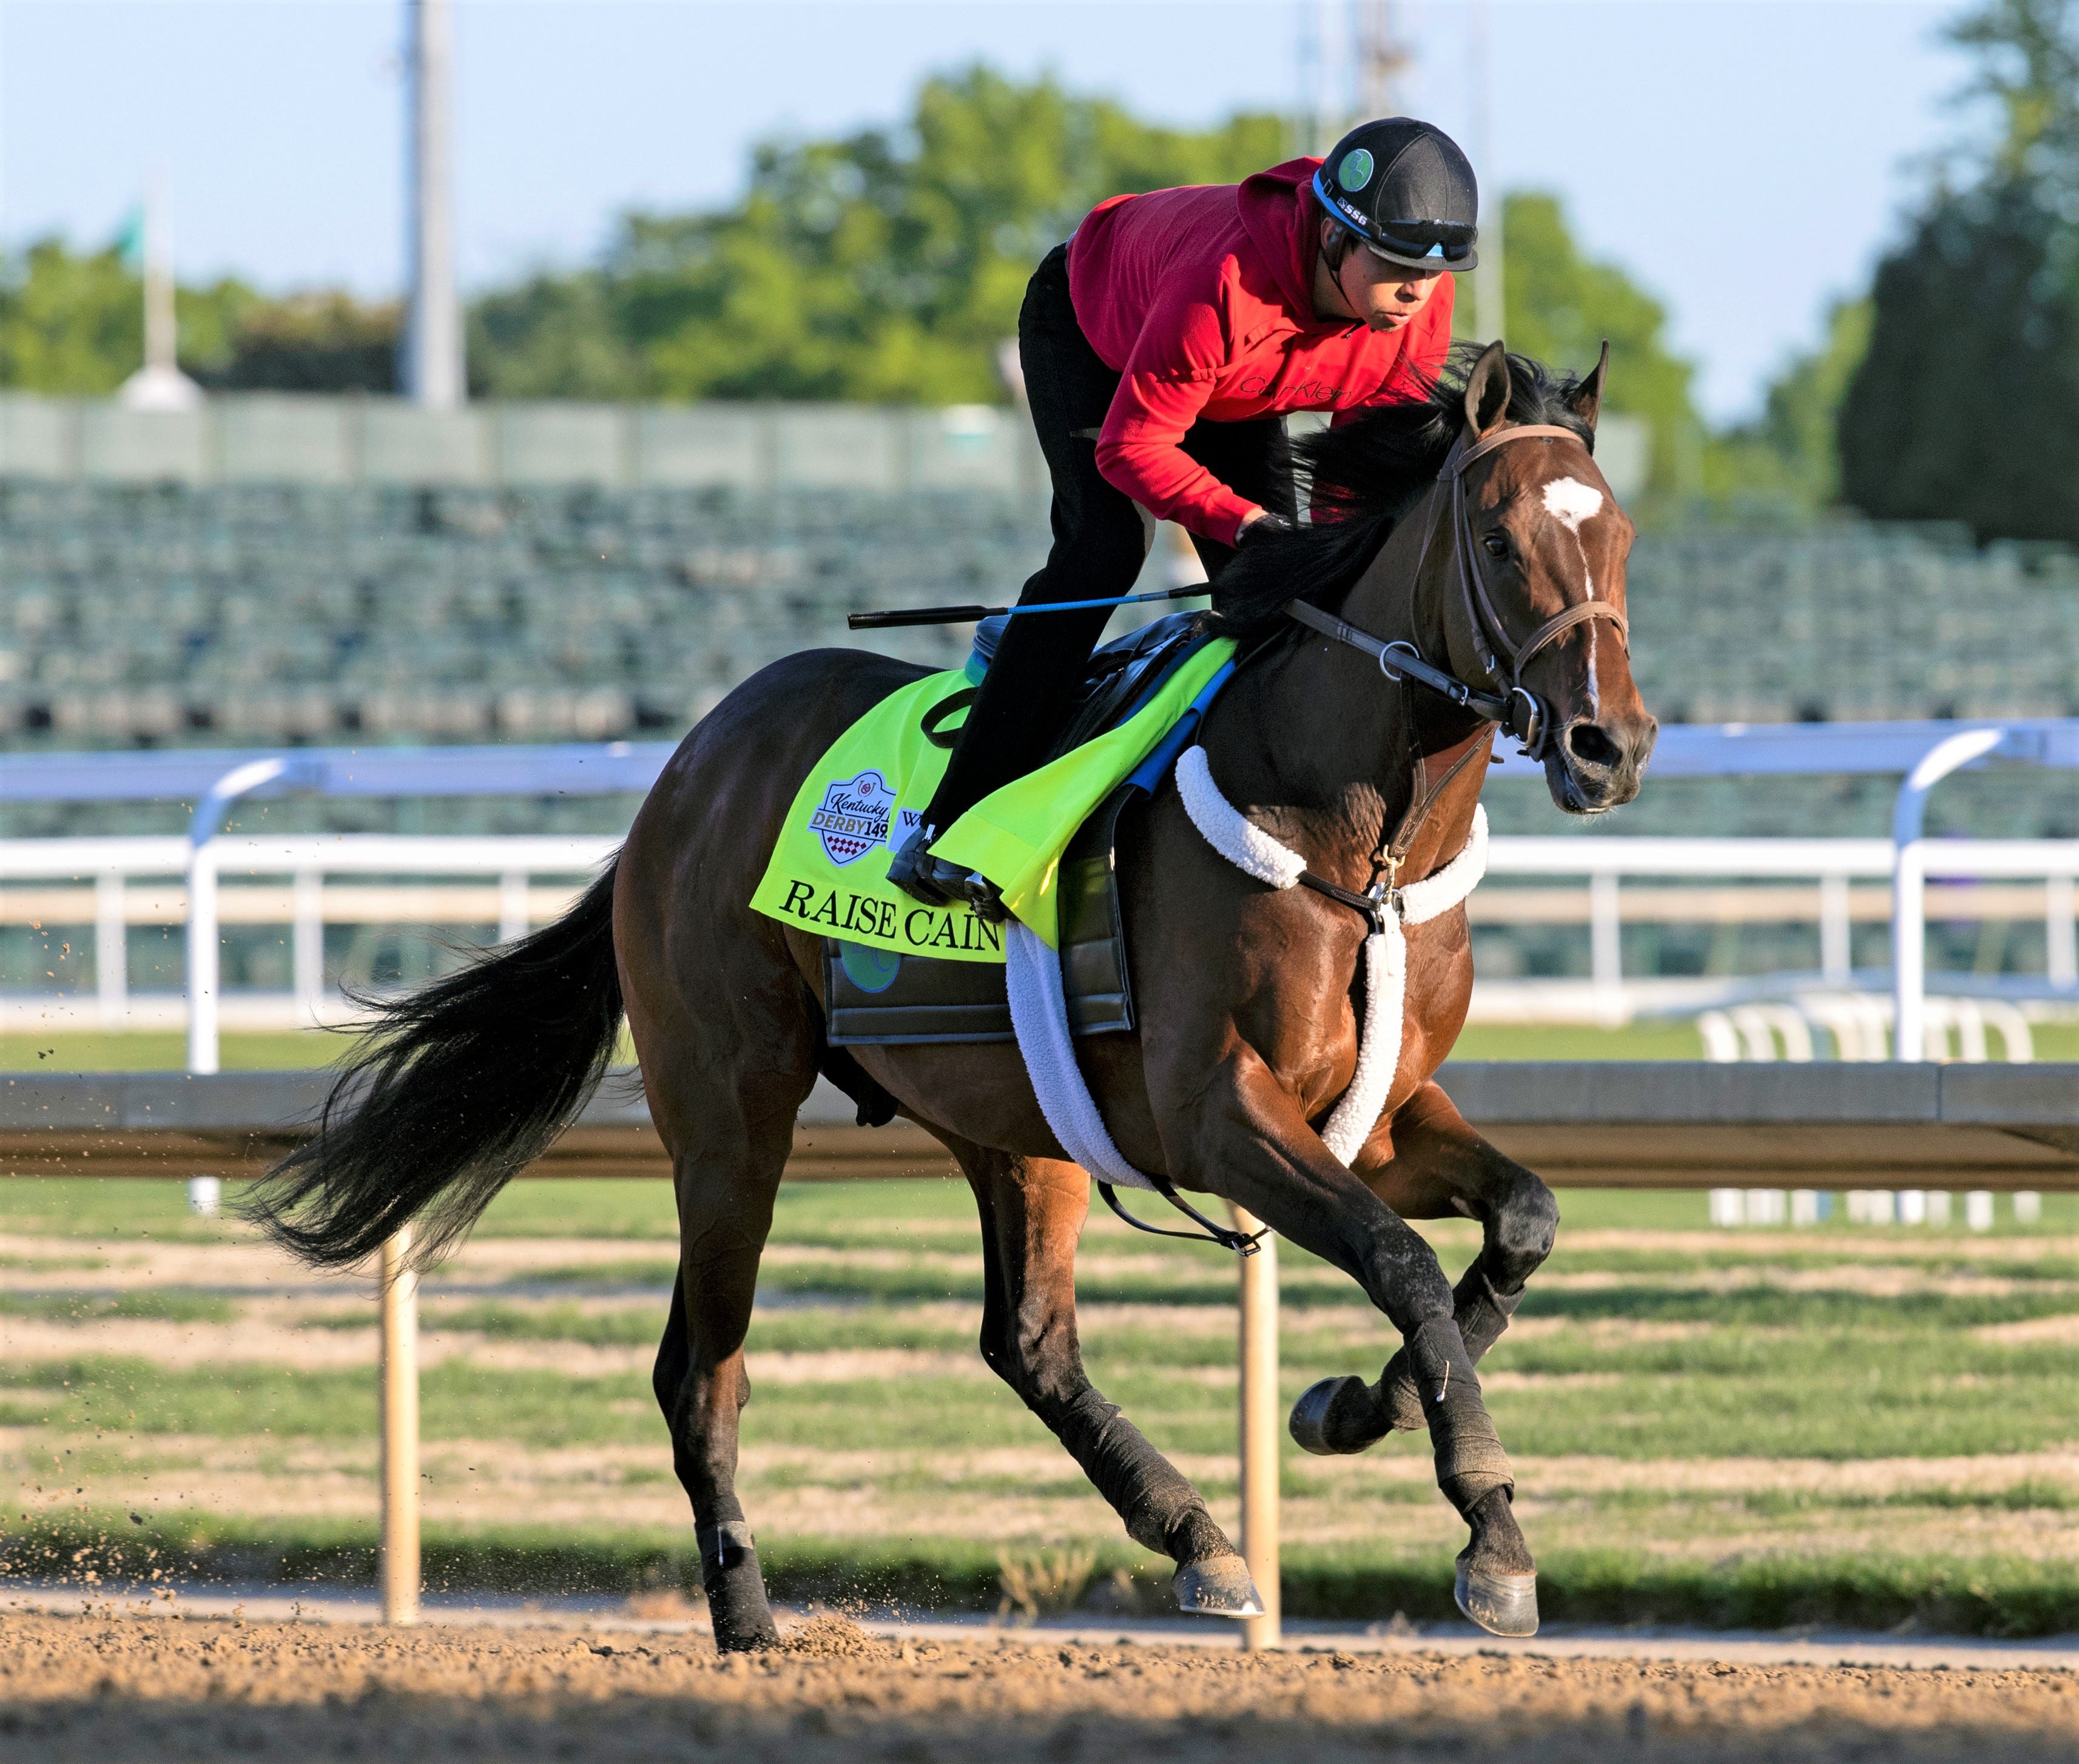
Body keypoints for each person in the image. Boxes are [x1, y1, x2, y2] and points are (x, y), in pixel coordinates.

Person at [888, 116, 1480, 912]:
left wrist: (1321, 559)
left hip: (1232, 385)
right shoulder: (1225, 282)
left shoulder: (1415, 317)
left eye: (1436, 273)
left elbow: (1354, 479)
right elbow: (1130, 451)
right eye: (1399, 267)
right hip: (1095, 335)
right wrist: (1243, 522)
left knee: (1287, 596)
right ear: (1336, 240)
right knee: (1103, 551)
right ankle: (953, 823)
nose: (1417, 292)